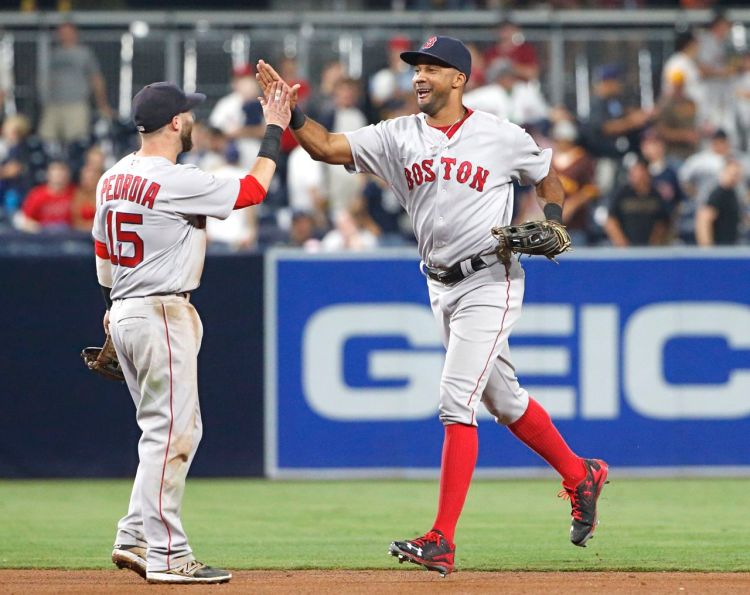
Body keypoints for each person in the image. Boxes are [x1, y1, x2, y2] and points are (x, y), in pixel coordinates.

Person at [256, 35, 608, 577]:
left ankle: (442, 539)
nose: (419, 76)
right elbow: (325, 146)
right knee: (505, 400)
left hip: (491, 280)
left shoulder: (498, 134)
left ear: (458, 79)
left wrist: (555, 217)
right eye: (416, 68)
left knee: (454, 400)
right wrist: (291, 111)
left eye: (432, 68)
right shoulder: (397, 136)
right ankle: (580, 474)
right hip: (439, 285)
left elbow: (545, 173)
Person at [96, 81, 290, 584]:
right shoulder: (174, 178)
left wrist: (113, 313)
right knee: (173, 432)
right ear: (177, 123)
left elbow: (102, 256)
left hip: (124, 309)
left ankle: (134, 535)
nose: (194, 120)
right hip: (161, 311)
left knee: (162, 430)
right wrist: (275, 129)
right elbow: (254, 190)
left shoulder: (112, 177)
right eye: (189, 114)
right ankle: (167, 554)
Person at [38, 21, 112, 149]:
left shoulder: (84, 53)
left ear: (75, 33)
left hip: (76, 104)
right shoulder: (53, 53)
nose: (64, 35)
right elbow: (45, 78)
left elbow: (96, 78)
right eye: (61, 32)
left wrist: (102, 104)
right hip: (53, 104)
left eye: (67, 32)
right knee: (46, 140)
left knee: (76, 142)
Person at [605, 157, 670, 247]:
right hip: (625, 248)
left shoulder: (656, 195)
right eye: (633, 173)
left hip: (649, 249)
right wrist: (622, 244)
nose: (637, 176)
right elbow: (610, 221)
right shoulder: (622, 194)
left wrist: (653, 245)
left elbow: (661, 223)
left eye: (640, 172)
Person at [13, 160, 75, 232]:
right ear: (48, 174)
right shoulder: (37, 194)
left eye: (62, 172)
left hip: (70, 235)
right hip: (43, 237)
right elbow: (25, 219)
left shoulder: (75, 193)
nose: (59, 176)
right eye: (55, 172)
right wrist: (38, 228)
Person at [695, 160, 743, 246]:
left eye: (737, 175)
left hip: (730, 245)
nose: (734, 177)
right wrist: (707, 249)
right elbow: (703, 221)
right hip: (719, 248)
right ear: (724, 172)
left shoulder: (733, 193)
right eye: (732, 174)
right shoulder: (717, 194)